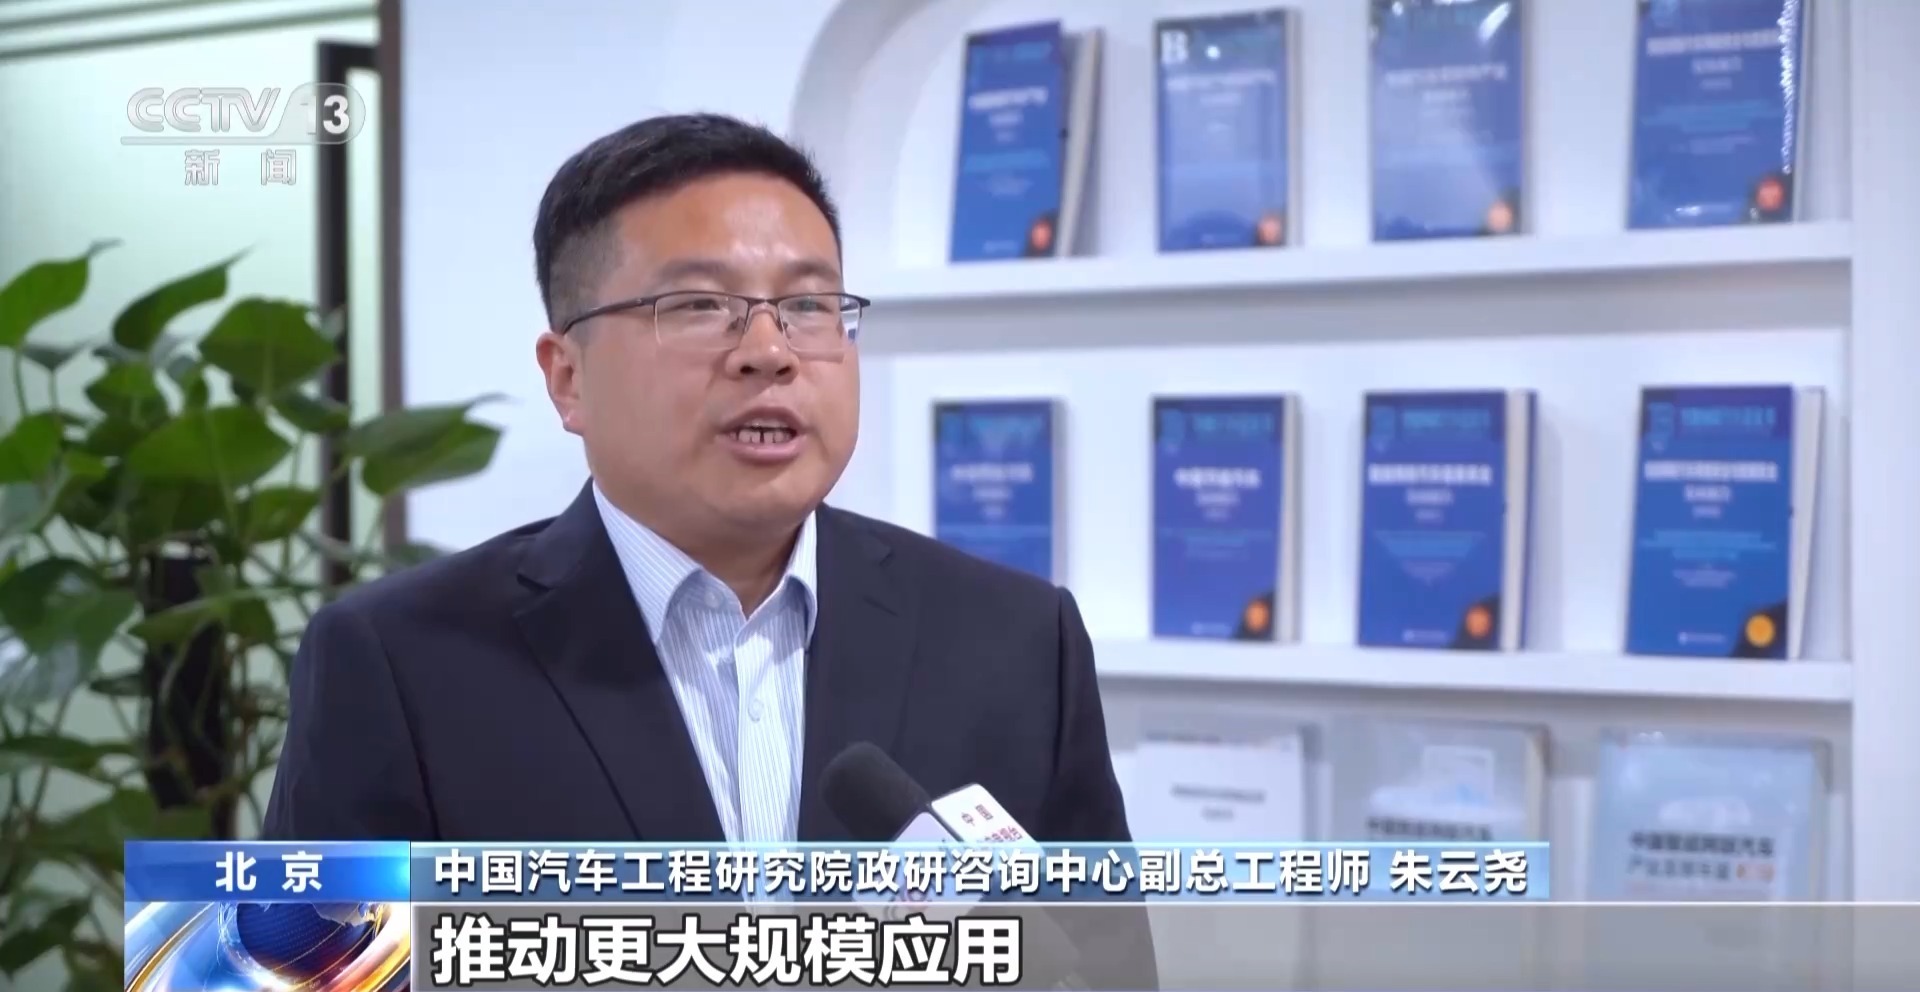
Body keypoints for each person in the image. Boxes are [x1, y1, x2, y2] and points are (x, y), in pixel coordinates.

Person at [263, 112, 1153, 984]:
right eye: (698, 306)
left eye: (808, 306)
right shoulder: (400, 664)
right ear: (568, 377)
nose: (769, 352)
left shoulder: (1016, 641)